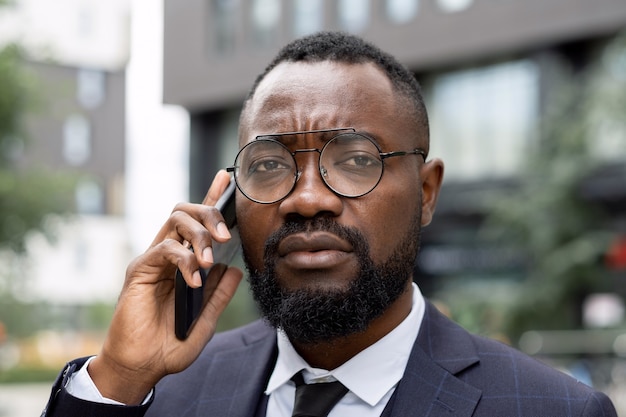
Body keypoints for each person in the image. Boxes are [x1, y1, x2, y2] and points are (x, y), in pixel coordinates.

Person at [41, 31, 617, 416]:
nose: (308, 198)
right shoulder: (166, 391)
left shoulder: (549, 408)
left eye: (357, 160)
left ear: (425, 192)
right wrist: (117, 377)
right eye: (269, 165)